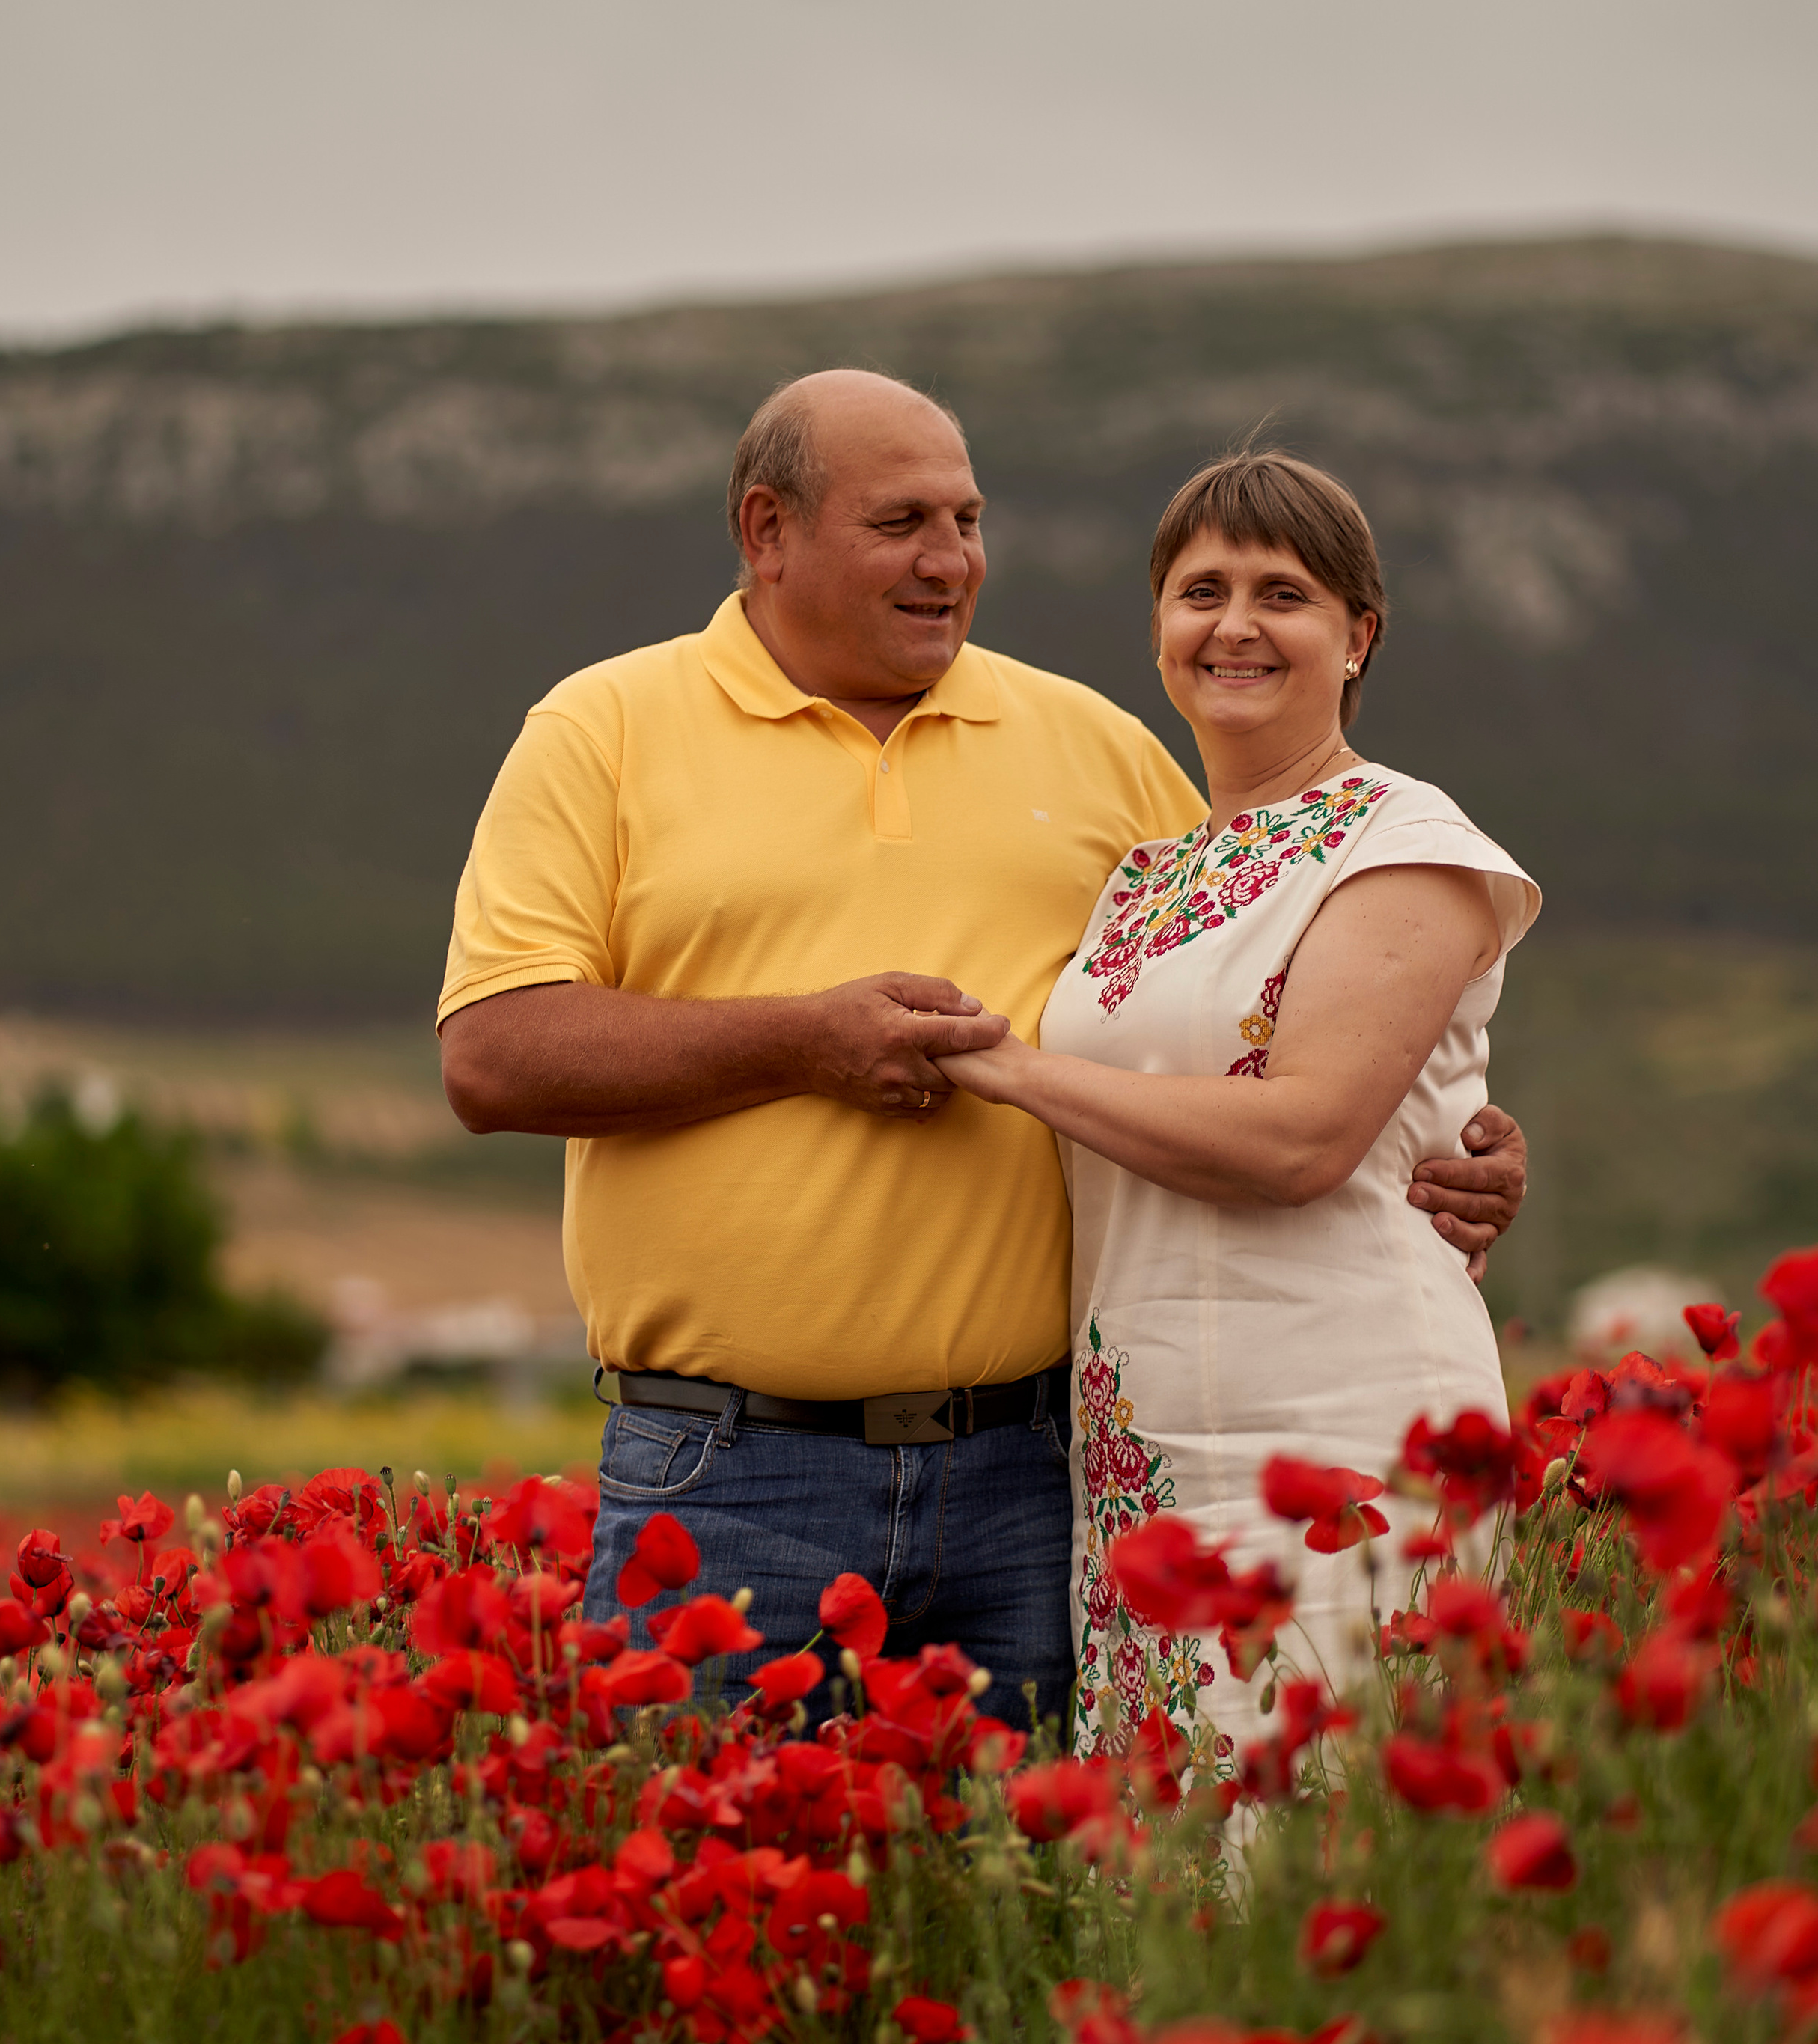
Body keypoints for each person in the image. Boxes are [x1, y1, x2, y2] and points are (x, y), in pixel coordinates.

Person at [436, 375, 1527, 1730]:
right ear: (766, 529)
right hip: (730, 1476)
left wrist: (1450, 1131)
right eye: (901, 521)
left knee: (1035, 1914)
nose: (951, 560)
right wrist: (807, 1043)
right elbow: (492, 1058)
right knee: (717, 1907)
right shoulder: (601, 731)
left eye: (967, 518)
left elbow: (1276, 992)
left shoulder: (1098, 747)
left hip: (1034, 1473)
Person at [934, 446, 1539, 1754]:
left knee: (1329, 1857)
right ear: (1159, 628)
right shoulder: (1144, 875)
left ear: (1359, 635)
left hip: (1350, 1425)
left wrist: (1009, 1069)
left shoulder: (1407, 841)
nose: (1237, 625)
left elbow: (1308, 1137)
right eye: (1201, 590)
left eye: (1286, 593)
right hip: (1146, 1447)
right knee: (1171, 1889)